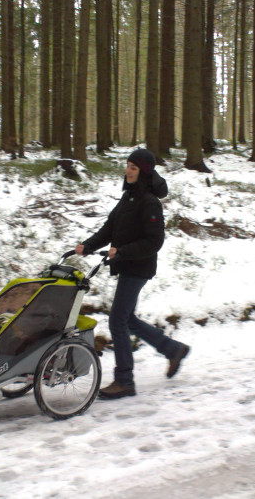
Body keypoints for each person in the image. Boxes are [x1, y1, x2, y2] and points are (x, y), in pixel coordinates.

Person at [75, 148, 190, 400]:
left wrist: (122, 252)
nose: (127, 171)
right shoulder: (128, 198)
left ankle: (124, 380)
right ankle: (173, 349)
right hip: (127, 263)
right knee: (127, 319)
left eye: (133, 168)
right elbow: (109, 228)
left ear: (144, 172)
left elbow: (154, 242)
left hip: (138, 266)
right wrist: (88, 246)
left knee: (117, 319)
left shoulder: (149, 202)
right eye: (127, 166)